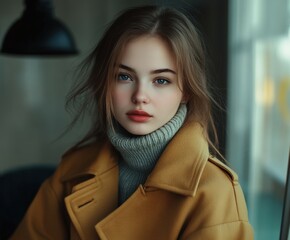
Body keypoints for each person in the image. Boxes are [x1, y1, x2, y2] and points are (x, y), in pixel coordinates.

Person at [11, 5, 254, 240]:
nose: (140, 96)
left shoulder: (215, 192)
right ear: (105, 82)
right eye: (124, 76)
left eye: (161, 80)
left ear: (186, 91)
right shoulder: (73, 171)